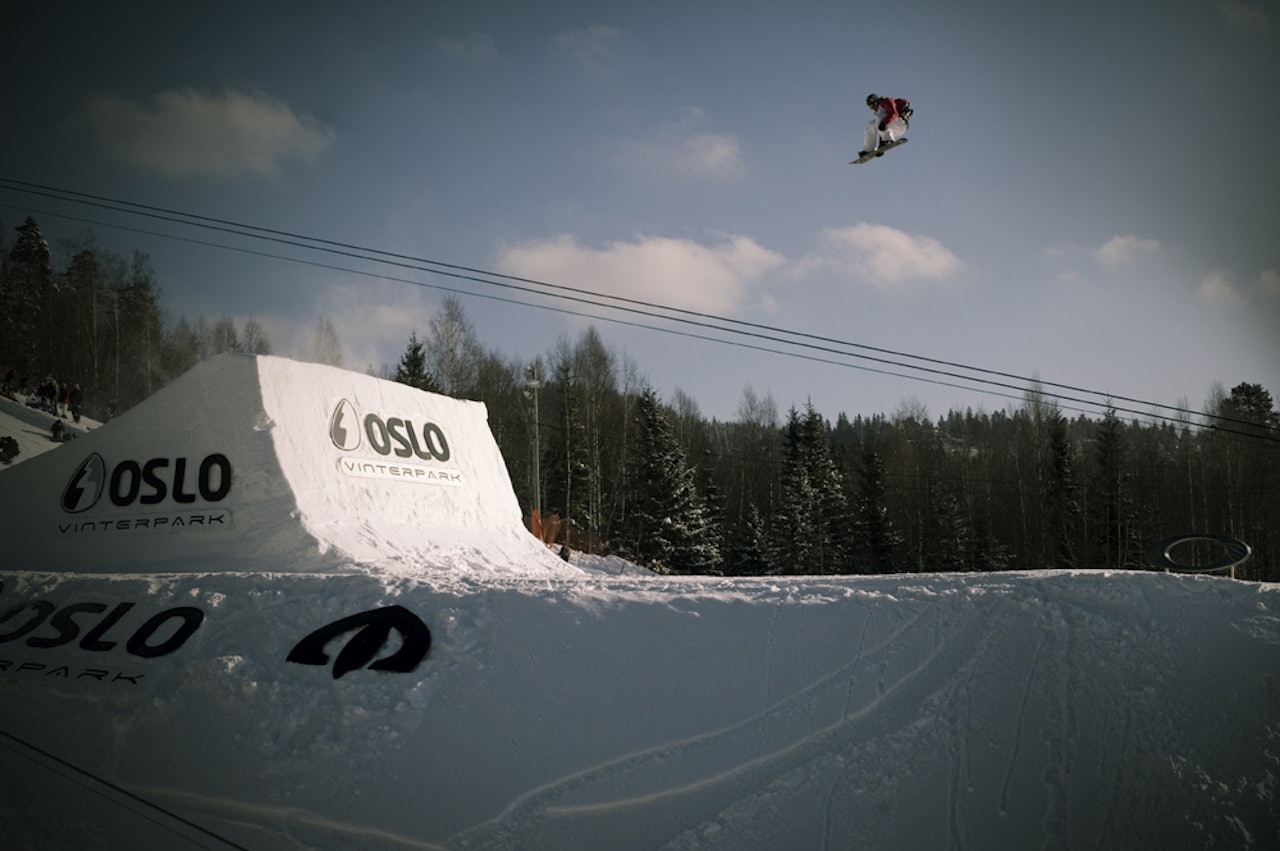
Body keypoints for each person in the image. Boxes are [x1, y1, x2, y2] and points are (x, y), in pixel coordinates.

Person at [859, 93, 913, 158]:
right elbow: (881, 128)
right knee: (871, 125)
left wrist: (883, 123)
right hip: (893, 128)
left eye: (872, 105)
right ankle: (868, 150)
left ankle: (889, 140)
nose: (872, 108)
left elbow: (894, 113)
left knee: (879, 120)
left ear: (876, 102)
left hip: (900, 124)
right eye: (870, 107)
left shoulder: (885, 101)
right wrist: (881, 147)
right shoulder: (879, 112)